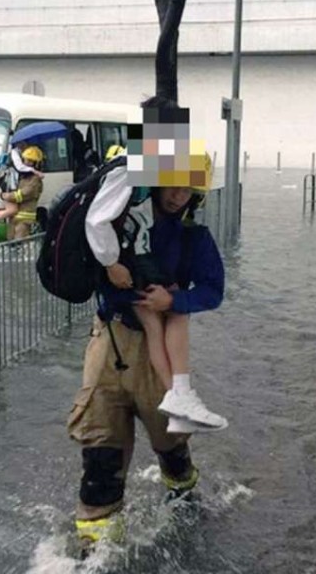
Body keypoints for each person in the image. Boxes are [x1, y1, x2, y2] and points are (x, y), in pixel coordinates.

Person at [69, 134, 225, 547]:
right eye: (171, 185)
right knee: (100, 444)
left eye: (186, 189)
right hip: (110, 339)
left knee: (170, 440)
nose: (177, 196)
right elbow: (94, 241)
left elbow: (213, 289)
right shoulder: (122, 219)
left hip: (155, 351)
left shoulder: (195, 237)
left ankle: (182, 489)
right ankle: (93, 546)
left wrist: (174, 298)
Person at [0, 145, 45, 239]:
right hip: (14, 220)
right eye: (26, 160)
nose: (28, 163)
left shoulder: (34, 179)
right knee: (11, 243)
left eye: (31, 161)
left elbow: (24, 194)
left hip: (23, 221)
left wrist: (6, 196)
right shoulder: (22, 175)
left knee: (19, 242)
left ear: (36, 163)